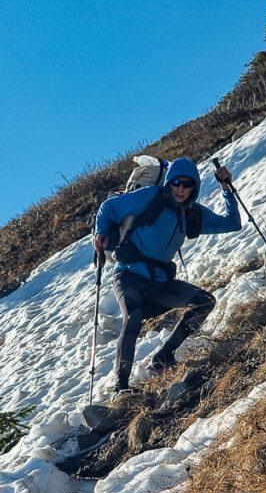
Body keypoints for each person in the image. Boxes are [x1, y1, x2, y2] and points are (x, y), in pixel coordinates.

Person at [93, 157, 241, 400]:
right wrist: (100, 232)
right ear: (168, 182)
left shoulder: (192, 214)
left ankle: (164, 356)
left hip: (159, 282)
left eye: (187, 184)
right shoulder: (150, 196)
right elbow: (108, 208)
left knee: (204, 302)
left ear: (195, 187)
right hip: (128, 274)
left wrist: (227, 188)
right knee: (133, 317)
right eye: (175, 182)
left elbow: (232, 224)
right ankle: (120, 387)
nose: (181, 189)